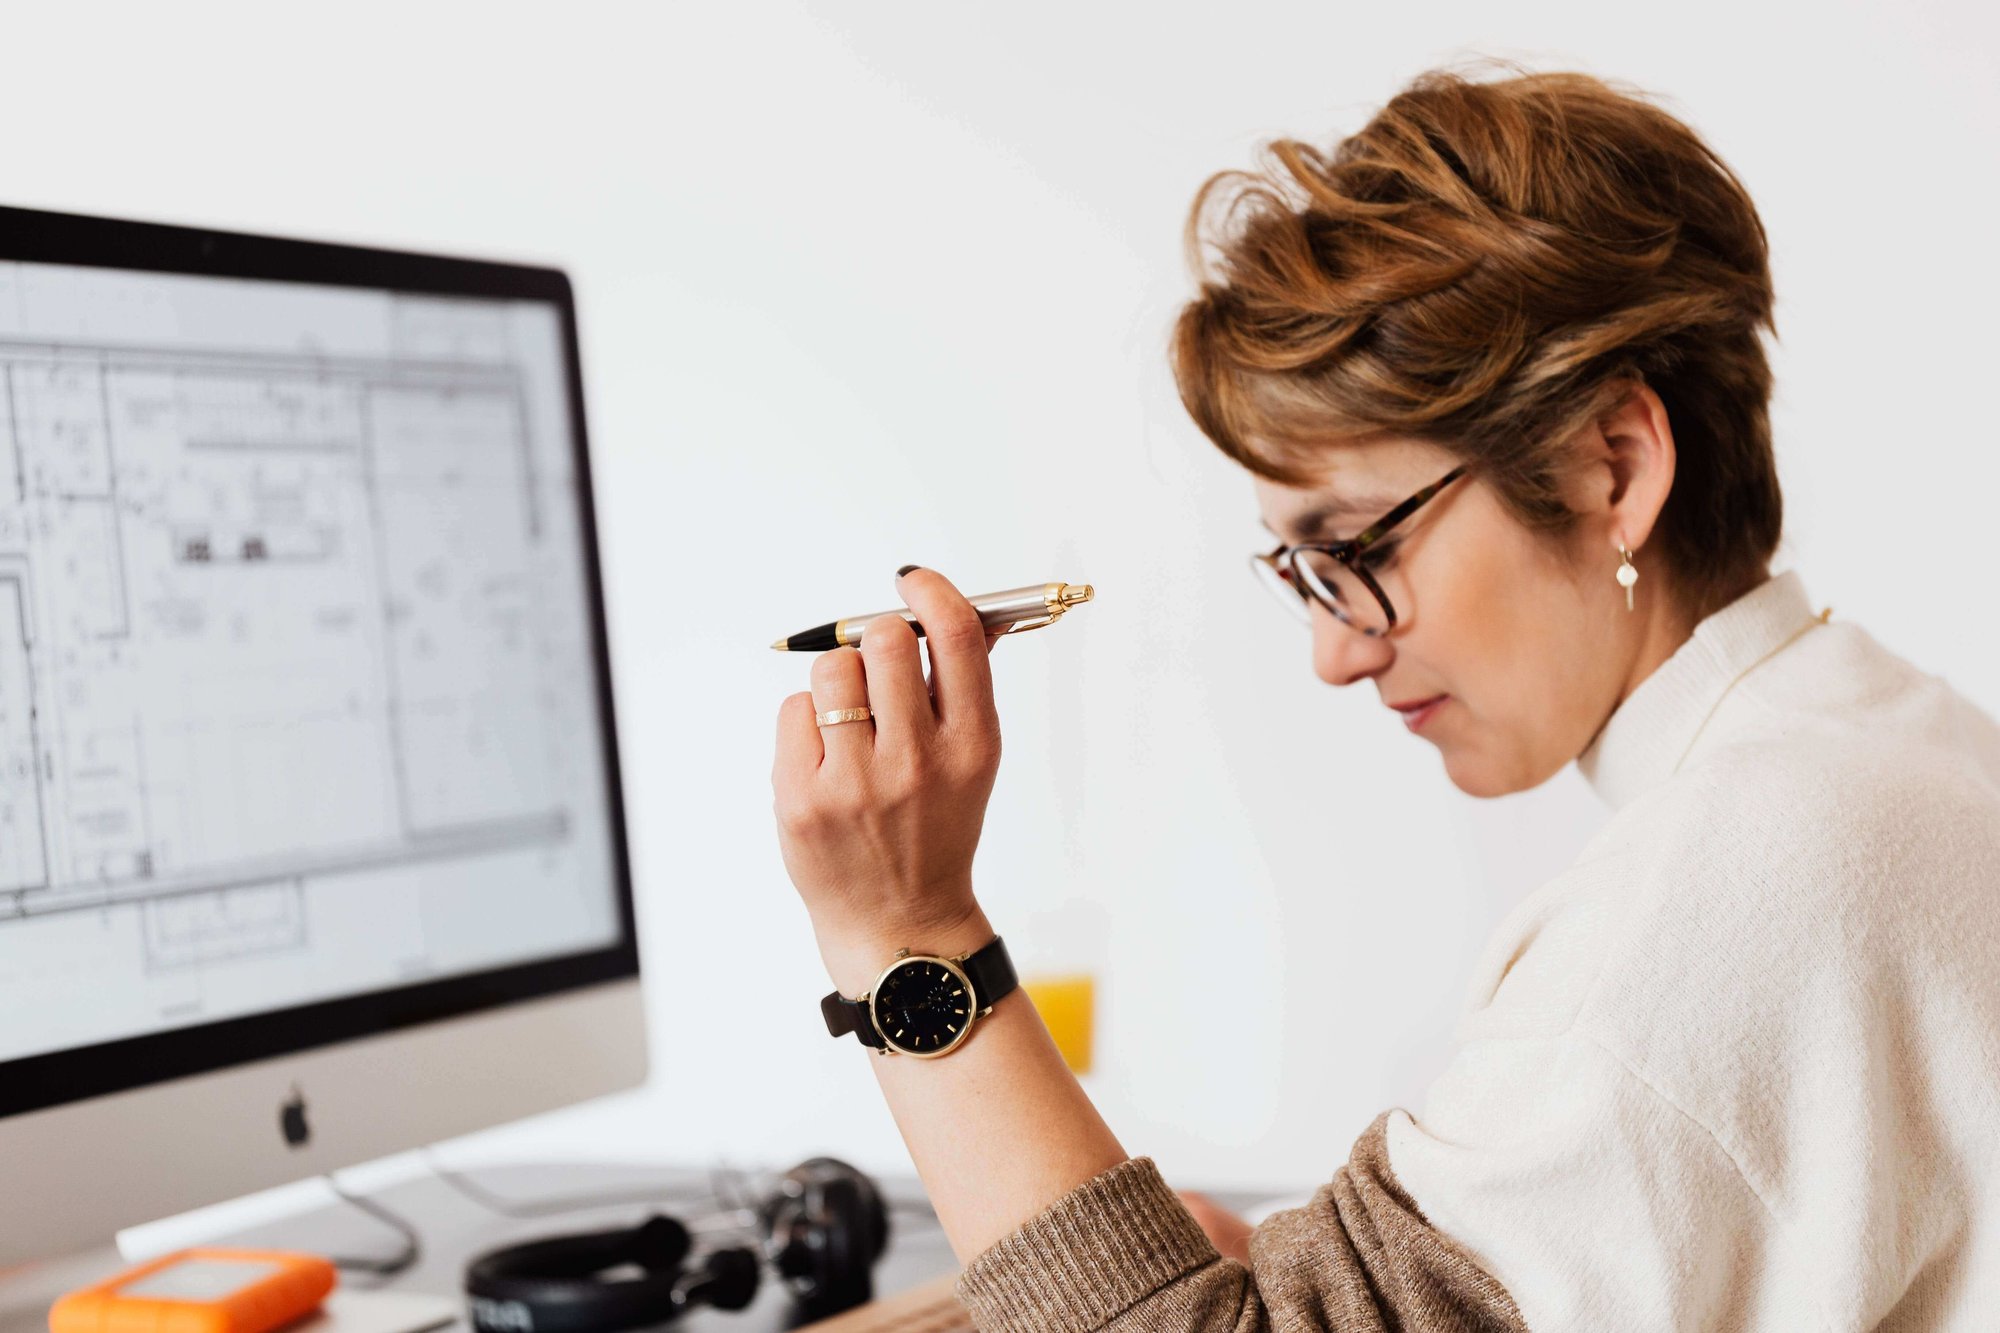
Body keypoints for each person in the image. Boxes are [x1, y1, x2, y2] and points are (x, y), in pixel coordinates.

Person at [770, 61, 2000, 1330]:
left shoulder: (1737, 886)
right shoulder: (1893, 745)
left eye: (1357, 548)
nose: (1334, 654)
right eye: (1299, 571)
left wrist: (904, 930)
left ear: (1608, 466)